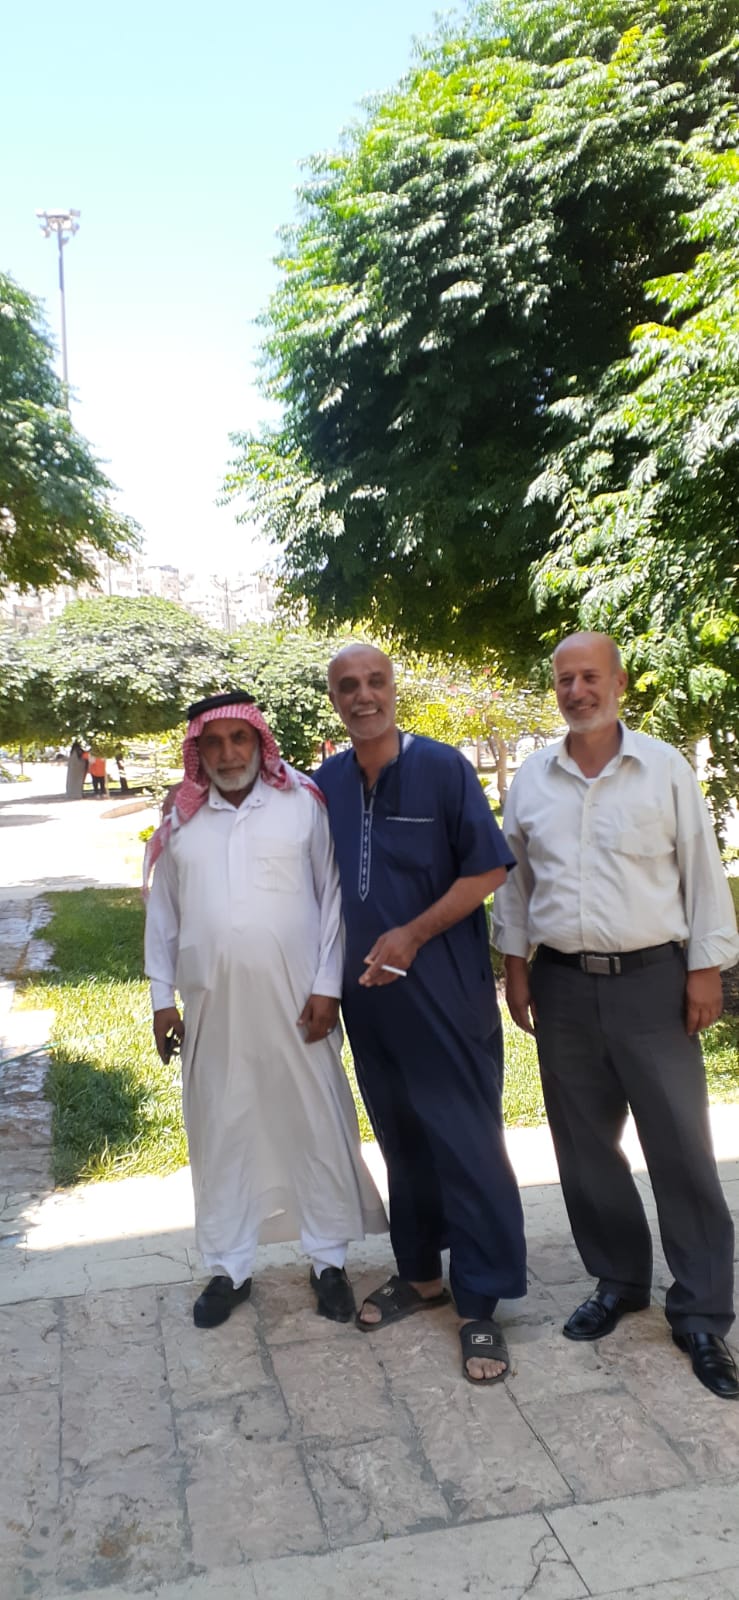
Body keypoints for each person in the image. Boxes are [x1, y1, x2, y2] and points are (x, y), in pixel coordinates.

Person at [493, 631, 739, 1400]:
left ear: (618, 683)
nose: (576, 690)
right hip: (562, 986)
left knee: (680, 1150)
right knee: (584, 1148)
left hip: (653, 984)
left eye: (589, 676)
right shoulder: (532, 780)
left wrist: (706, 970)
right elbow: (514, 885)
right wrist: (514, 969)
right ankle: (619, 1279)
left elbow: (701, 873)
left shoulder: (662, 769)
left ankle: (700, 1312)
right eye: (564, 679)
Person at [316, 644, 527, 1385]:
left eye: (375, 681)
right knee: (402, 1140)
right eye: (348, 686)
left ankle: (480, 1301)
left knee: (465, 1141)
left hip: (444, 991)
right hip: (370, 1000)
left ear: (393, 688)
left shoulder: (442, 768)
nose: (363, 695)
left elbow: (488, 868)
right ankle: (421, 1274)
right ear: (335, 699)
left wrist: (411, 933)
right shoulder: (327, 783)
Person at [144, 689, 386, 1330]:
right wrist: (162, 1001)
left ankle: (328, 1261)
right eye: (214, 743)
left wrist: (328, 987)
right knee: (223, 1131)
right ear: (198, 751)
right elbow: (162, 915)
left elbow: (332, 900)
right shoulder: (180, 819)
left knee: (314, 1125)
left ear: (259, 741)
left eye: (240, 739)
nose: (228, 754)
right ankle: (229, 1267)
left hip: (298, 1004)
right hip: (212, 1007)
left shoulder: (302, 802)